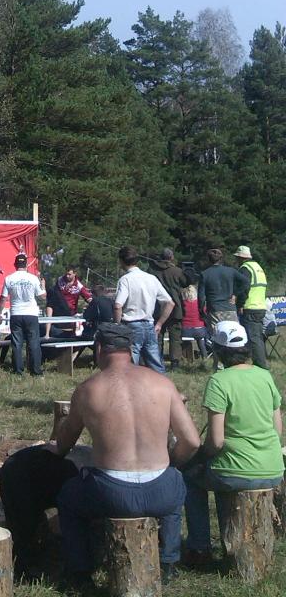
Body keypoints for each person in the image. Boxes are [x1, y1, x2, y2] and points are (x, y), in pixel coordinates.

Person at [55, 323, 201, 588]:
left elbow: (63, 445)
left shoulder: (88, 389)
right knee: (175, 488)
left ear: (100, 348)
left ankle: (80, 571)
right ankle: (168, 562)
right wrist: (171, 464)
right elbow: (192, 441)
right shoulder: (163, 384)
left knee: (68, 498)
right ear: (131, 349)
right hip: (161, 491)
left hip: (110, 493)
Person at [183, 320, 283, 566]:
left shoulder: (219, 381)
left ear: (218, 351)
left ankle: (199, 547)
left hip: (235, 470)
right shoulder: (265, 375)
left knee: (190, 478)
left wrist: (200, 456)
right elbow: (278, 429)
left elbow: (216, 442)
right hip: (272, 468)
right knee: (217, 475)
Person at [113, 245, 175, 373]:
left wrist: (117, 326)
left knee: (130, 366)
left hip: (131, 325)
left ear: (121, 261)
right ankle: (162, 384)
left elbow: (118, 305)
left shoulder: (125, 280)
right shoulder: (151, 278)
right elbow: (170, 303)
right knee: (156, 364)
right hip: (149, 324)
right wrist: (159, 324)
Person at [0, 251, 46, 377]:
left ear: (15, 264)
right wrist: (43, 286)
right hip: (31, 313)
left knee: (17, 343)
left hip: (16, 313)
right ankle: (35, 370)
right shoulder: (33, 278)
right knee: (33, 343)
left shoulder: (9, 278)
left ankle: (18, 370)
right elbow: (42, 297)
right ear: (26, 264)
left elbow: (3, 298)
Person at [198, 248, 249, 368]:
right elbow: (246, 282)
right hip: (230, 309)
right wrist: (236, 294)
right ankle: (236, 362)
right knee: (234, 336)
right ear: (221, 259)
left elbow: (201, 297)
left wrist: (201, 311)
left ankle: (219, 365)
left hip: (215, 310)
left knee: (218, 339)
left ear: (208, 259)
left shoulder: (205, 274)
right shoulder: (231, 271)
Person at [148, 248, 189, 371]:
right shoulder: (176, 271)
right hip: (175, 307)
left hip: (157, 307)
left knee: (158, 335)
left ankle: (156, 360)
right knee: (175, 336)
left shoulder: (152, 271)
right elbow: (185, 283)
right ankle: (175, 362)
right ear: (171, 257)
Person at [234, 244, 268, 369]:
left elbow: (244, 287)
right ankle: (259, 361)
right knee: (257, 337)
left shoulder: (245, 268)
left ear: (241, 258)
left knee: (253, 338)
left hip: (250, 306)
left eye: (237, 258)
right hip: (260, 306)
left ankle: (260, 365)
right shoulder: (258, 267)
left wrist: (240, 304)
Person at [180, 284, 209, 359]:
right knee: (201, 340)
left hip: (185, 330)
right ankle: (205, 357)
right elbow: (205, 313)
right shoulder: (200, 303)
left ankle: (186, 358)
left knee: (185, 341)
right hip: (199, 330)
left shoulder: (181, 303)